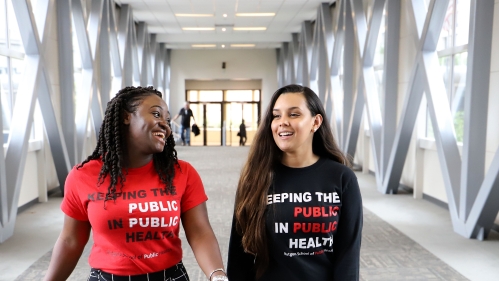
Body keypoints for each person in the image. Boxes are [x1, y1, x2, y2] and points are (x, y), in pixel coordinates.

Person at [44, 86, 228, 281]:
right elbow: (71, 240)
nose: (165, 125)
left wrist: (217, 275)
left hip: (169, 277)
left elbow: (200, 231)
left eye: (167, 120)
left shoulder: (182, 173)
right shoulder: (83, 176)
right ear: (126, 117)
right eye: (156, 114)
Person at [227, 84, 363, 281]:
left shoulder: (342, 178)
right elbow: (239, 258)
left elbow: (348, 257)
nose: (282, 122)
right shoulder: (255, 178)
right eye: (276, 116)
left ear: (315, 122)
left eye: (294, 114)